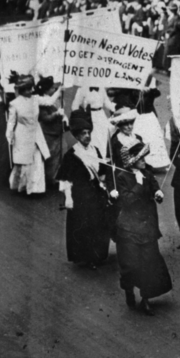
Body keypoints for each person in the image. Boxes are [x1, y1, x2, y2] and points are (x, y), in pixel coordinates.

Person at [105, 142, 172, 316]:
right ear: (133, 161)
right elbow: (126, 200)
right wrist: (139, 185)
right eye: (141, 158)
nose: (144, 161)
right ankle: (129, 290)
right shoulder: (121, 177)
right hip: (129, 228)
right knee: (131, 264)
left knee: (148, 262)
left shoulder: (147, 174)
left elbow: (155, 188)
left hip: (147, 226)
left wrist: (158, 194)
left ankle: (146, 299)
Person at [56, 111, 111, 269]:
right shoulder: (72, 155)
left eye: (88, 133)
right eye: (83, 133)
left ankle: (98, 255)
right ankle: (86, 257)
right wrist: (68, 198)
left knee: (99, 224)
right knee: (85, 226)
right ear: (77, 136)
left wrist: (104, 182)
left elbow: (101, 172)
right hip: (80, 195)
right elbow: (66, 179)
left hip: (96, 193)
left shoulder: (96, 151)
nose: (87, 136)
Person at [6, 74, 49, 194]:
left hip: (36, 133)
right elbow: (11, 122)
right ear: (22, 90)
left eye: (31, 88)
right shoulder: (14, 103)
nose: (31, 91)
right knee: (24, 162)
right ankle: (22, 186)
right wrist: (9, 136)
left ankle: (35, 188)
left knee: (37, 159)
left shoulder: (35, 99)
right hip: (22, 135)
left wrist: (60, 91)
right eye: (28, 89)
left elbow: (49, 101)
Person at [35, 76, 65, 189]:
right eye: (52, 88)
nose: (54, 89)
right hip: (48, 133)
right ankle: (51, 179)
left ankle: (56, 177)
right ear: (46, 90)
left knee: (58, 156)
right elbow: (45, 118)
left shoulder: (54, 99)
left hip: (56, 131)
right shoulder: (42, 101)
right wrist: (56, 114)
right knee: (51, 158)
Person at [71, 86, 113, 157]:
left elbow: (107, 102)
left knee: (103, 139)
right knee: (92, 140)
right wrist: (80, 116)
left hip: (101, 116)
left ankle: (102, 160)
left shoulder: (101, 88)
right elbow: (74, 106)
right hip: (89, 116)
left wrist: (116, 109)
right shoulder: (82, 89)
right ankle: (93, 160)